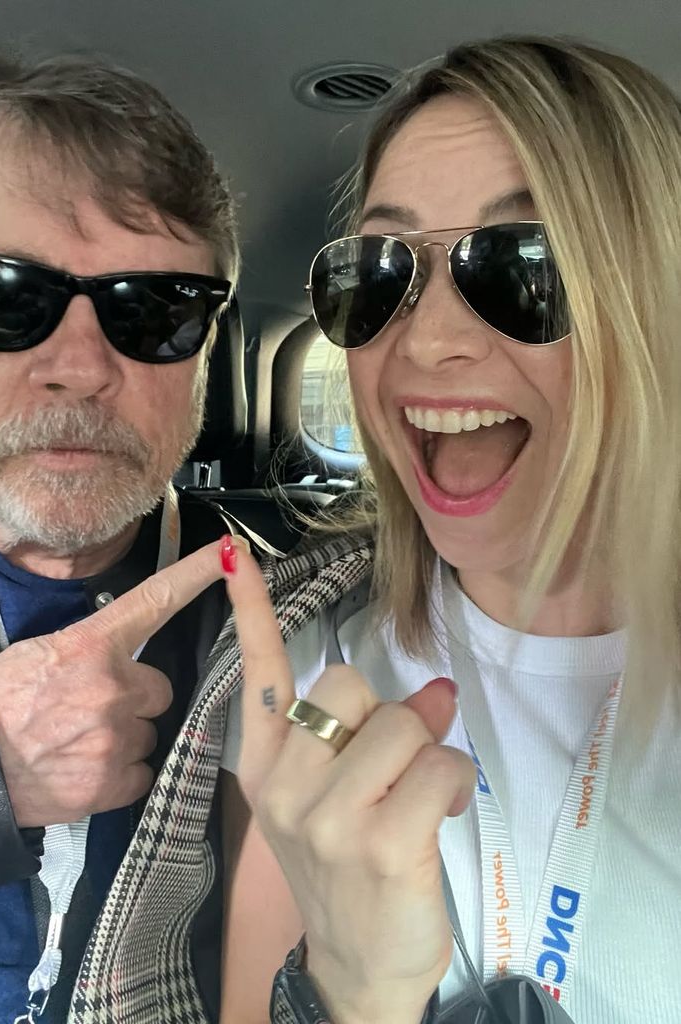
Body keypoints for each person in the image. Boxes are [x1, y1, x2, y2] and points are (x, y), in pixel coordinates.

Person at [61, 35, 681, 1024]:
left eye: (523, 265)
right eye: (380, 272)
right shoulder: (309, 674)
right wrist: (348, 993)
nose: (423, 340)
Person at [0, 50, 241, 1023]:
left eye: (151, 307)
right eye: (4, 295)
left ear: (206, 349)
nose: (80, 366)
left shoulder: (278, 615)